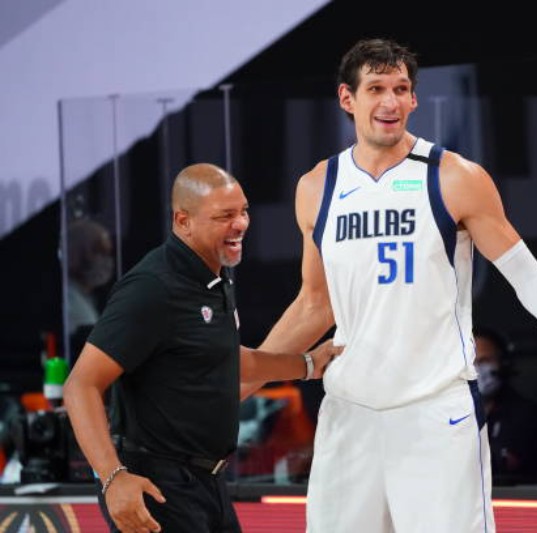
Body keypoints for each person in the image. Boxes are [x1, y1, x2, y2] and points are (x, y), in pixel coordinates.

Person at [253, 38, 537, 533]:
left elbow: (525, 272)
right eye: (376, 88)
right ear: (347, 98)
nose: (390, 101)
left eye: (400, 88)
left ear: (414, 99)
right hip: (350, 413)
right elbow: (314, 304)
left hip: (434, 413)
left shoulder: (453, 177)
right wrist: (246, 378)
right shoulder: (317, 188)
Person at [63, 163, 342, 533]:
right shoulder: (152, 288)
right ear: (183, 221)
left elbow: (224, 359)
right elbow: (80, 385)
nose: (240, 224)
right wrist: (112, 477)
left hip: (207, 484)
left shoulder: (212, 277)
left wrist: (306, 365)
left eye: (243, 211)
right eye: (225, 216)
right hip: (158, 488)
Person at [474, 326, 537, 486]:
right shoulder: (453, 414)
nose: (477, 369)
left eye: (484, 361)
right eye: (472, 363)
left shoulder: (526, 415)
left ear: (503, 363)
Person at [66, 218, 114, 339]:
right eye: (99, 252)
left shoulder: (85, 297)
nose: (106, 260)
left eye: (107, 253)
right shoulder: (71, 302)